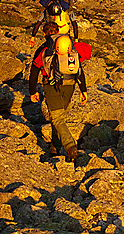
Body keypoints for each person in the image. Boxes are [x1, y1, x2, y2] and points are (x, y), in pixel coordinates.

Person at [29, 33, 89, 162]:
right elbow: (79, 72)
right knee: (60, 118)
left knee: (57, 119)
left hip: (51, 87)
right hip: (70, 86)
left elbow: (34, 72)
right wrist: (83, 90)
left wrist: (32, 91)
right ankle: (54, 148)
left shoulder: (45, 51)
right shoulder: (74, 53)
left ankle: (70, 146)